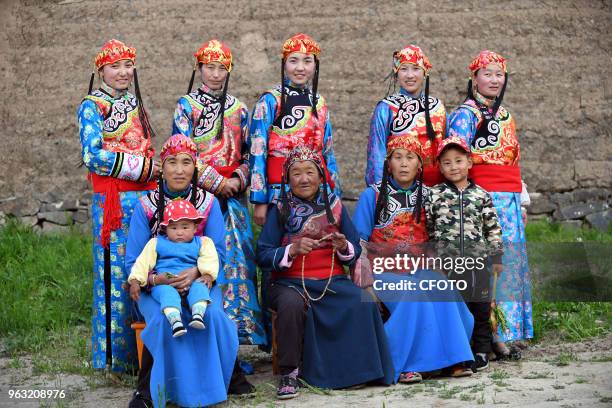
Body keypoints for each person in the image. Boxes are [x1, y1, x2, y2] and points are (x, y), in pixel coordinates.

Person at [256, 146, 394, 399]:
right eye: (296, 173)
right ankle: (290, 373)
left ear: (321, 176)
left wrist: (343, 246)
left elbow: (355, 249)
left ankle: (359, 370)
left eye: (310, 172)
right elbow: (263, 254)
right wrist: (292, 249)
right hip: (289, 284)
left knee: (359, 301)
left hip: (331, 279)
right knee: (291, 304)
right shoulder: (280, 208)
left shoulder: (335, 206)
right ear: (287, 179)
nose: (304, 178)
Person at [126, 135, 250, 408]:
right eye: (172, 162)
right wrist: (156, 279)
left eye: (186, 163)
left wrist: (195, 273)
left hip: (200, 280)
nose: (179, 170)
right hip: (156, 285)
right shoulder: (145, 205)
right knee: (161, 319)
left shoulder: (208, 203)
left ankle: (224, 379)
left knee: (214, 314)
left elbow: (219, 252)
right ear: (162, 166)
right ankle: (148, 392)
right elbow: (133, 260)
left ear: (195, 167)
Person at [352, 136, 475, 383]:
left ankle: (452, 360)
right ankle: (408, 364)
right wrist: (363, 275)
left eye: (410, 158)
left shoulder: (429, 195)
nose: (404, 164)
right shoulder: (372, 195)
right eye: (398, 157)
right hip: (382, 269)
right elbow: (359, 240)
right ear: (389, 164)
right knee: (412, 293)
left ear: (420, 165)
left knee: (443, 291)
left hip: (420, 266)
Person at [172, 39, 266, 346]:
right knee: (207, 262)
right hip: (199, 200)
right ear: (199, 68)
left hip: (235, 200)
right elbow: (181, 154)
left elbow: (252, 153)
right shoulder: (186, 107)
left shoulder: (240, 109)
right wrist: (216, 182)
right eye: (209, 67)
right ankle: (210, 338)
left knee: (239, 262)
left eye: (221, 68)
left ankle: (242, 338)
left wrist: (239, 179)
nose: (215, 74)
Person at [78, 38, 160, 373]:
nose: (123, 72)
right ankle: (115, 358)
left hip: (141, 200)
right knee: (115, 273)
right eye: (115, 66)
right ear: (101, 70)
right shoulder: (91, 106)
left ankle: (145, 351)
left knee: (141, 267)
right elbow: (92, 155)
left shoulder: (132, 101)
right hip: (113, 202)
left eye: (128, 65)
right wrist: (141, 168)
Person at [447, 50, 532, 356]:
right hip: (480, 200)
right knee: (486, 268)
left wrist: (520, 199)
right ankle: (491, 336)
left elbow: (514, 159)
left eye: (499, 74)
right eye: (487, 74)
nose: (494, 80)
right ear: (474, 79)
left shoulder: (507, 116)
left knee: (507, 265)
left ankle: (508, 331)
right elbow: (456, 160)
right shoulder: (463, 115)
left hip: (507, 200)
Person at [248, 33, 341, 227]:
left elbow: (328, 152)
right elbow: (257, 150)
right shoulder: (270, 101)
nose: (300, 67)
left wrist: (335, 193)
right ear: (284, 64)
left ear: (315, 65)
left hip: (317, 188)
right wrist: (259, 199)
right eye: (293, 61)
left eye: (307, 61)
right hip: (278, 190)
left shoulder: (320, 102)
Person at [427, 136, 504, 371]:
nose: (454, 167)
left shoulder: (481, 195)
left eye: (459, 161)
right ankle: (459, 350)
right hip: (448, 264)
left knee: (481, 306)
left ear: (469, 163)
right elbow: (429, 228)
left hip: (478, 262)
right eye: (447, 162)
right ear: (440, 167)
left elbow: (492, 227)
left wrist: (496, 257)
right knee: (456, 307)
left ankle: (481, 350)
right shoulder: (435, 194)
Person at [128, 199, 218, 337]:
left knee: (201, 287)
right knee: (166, 293)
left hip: (192, 280)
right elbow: (142, 263)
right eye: (174, 228)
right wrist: (135, 281)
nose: (179, 232)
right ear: (165, 229)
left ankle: (198, 314)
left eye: (185, 227)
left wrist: (207, 275)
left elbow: (210, 258)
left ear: (195, 228)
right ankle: (175, 321)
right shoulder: (156, 243)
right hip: (166, 281)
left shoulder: (203, 242)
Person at [365, 44, 446, 187]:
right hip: (398, 188)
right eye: (404, 69)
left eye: (416, 69)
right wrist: (379, 191)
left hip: (437, 189)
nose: (410, 75)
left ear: (425, 72)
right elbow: (376, 154)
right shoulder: (386, 108)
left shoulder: (438, 107)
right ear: (396, 73)